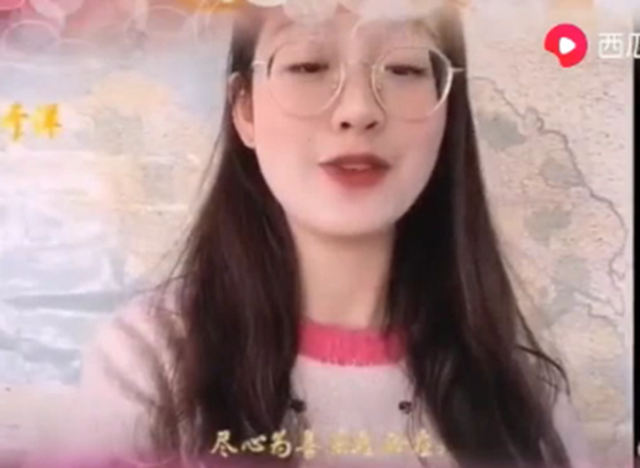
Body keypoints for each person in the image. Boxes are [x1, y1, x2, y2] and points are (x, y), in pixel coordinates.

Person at [31, 2, 592, 468]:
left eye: (403, 69)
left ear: (449, 111)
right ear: (244, 109)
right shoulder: (148, 365)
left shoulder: (526, 399)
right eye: (308, 66)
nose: (358, 110)